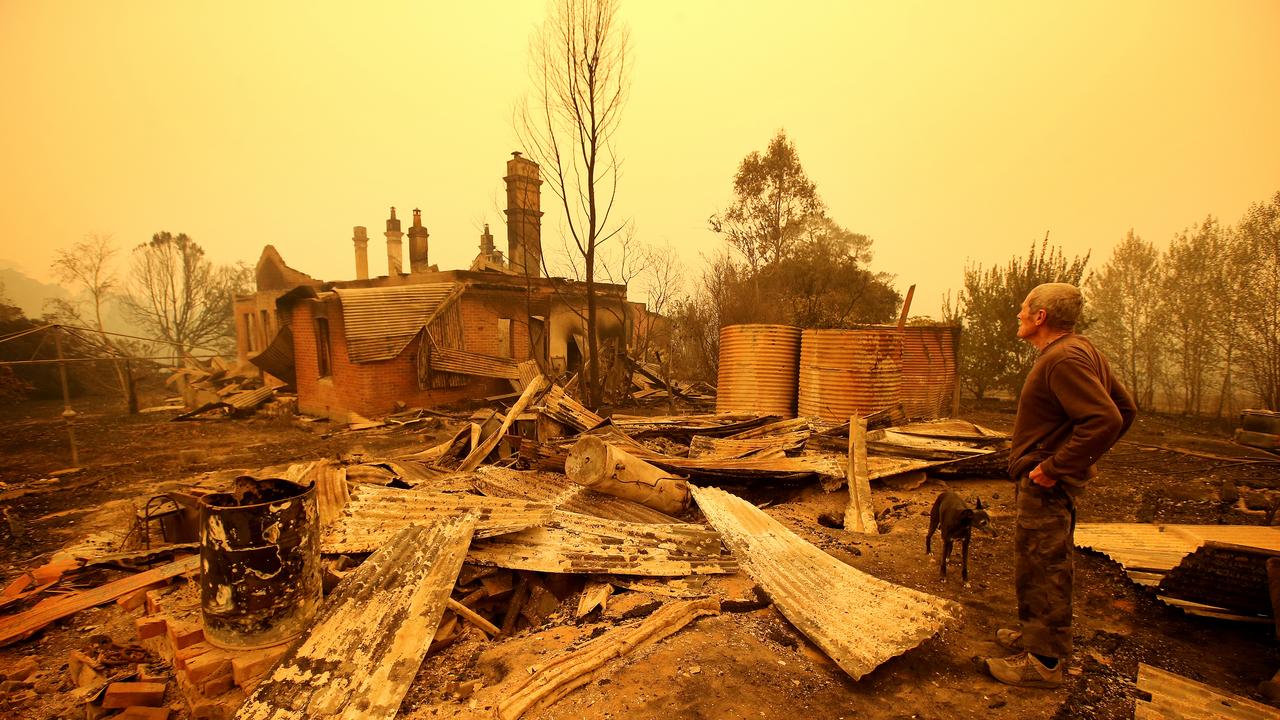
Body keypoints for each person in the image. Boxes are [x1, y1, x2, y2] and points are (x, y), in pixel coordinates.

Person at [984, 282, 1136, 689]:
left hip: (1045, 484)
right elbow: (1125, 408)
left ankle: (1044, 664)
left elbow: (1107, 419)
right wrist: (1074, 459)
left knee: (1044, 564)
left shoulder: (1063, 359)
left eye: (1023, 309)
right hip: (1047, 480)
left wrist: (1056, 466)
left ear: (1040, 317)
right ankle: (1034, 637)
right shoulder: (1081, 351)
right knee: (1036, 561)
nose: (1018, 314)